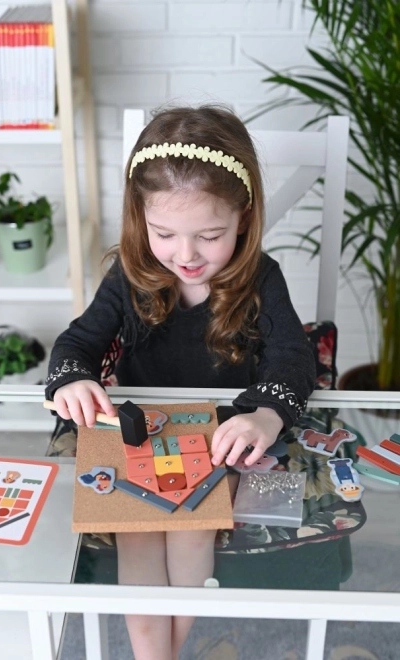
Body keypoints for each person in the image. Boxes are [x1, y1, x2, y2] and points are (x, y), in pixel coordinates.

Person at [45, 104, 316, 660]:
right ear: (140, 217)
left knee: (191, 525)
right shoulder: (129, 274)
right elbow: (76, 345)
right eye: (164, 233)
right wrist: (72, 381)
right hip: (139, 436)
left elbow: (294, 358)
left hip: (219, 442)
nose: (186, 256)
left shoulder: (262, 278)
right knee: (138, 530)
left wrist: (266, 415)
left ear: (244, 217)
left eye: (210, 235)